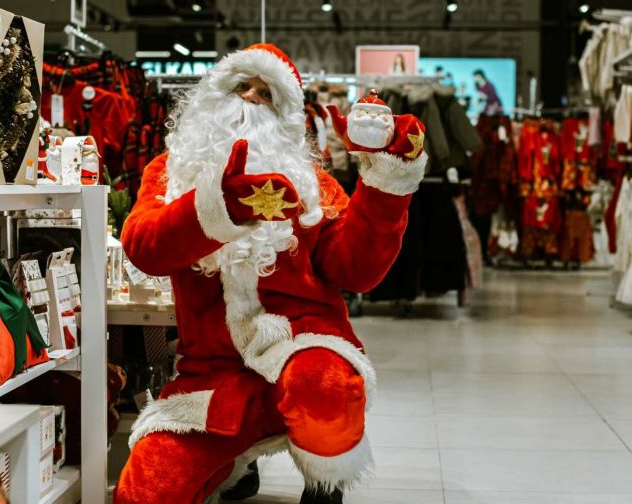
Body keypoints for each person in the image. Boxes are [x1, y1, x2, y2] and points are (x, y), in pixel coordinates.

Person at [114, 43, 428, 504]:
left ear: (285, 116)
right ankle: (237, 464)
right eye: (243, 85)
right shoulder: (169, 174)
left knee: (323, 385)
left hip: (302, 345)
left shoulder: (310, 182)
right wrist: (216, 208)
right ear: (214, 96)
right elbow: (144, 248)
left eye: (267, 93)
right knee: (146, 491)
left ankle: (325, 482)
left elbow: (355, 271)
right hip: (212, 372)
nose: (253, 98)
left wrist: (385, 183)